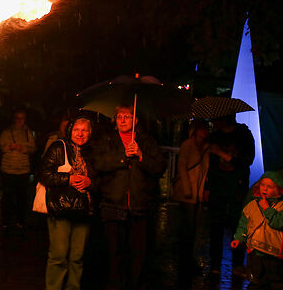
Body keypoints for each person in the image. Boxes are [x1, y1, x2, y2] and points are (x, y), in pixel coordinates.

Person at [94, 105, 166, 290]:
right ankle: (115, 284)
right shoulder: (107, 139)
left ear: (136, 120)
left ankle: (134, 285)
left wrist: (141, 155)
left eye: (127, 116)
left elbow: (159, 167)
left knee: (138, 252)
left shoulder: (147, 141)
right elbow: (99, 163)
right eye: (119, 116)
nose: (123, 120)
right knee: (113, 251)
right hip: (112, 203)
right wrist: (122, 157)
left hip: (139, 204)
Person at [37, 114, 97, 290]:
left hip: (84, 210)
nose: (80, 134)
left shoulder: (93, 152)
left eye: (84, 130)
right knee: (59, 256)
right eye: (77, 130)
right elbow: (43, 173)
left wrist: (90, 181)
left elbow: (101, 177)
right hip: (61, 209)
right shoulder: (59, 147)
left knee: (77, 257)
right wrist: (68, 179)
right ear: (70, 131)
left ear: (90, 132)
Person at [205, 114, 255, 276]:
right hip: (218, 186)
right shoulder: (215, 136)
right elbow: (210, 165)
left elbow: (248, 159)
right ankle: (215, 264)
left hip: (236, 187)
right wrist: (208, 186)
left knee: (237, 225)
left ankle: (238, 264)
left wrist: (223, 154)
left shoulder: (243, 135)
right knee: (215, 226)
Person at [171, 119, 210, 277]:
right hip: (187, 192)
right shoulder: (188, 144)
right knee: (187, 227)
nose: (204, 131)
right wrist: (188, 189)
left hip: (197, 193)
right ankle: (184, 261)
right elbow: (182, 166)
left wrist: (201, 192)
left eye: (206, 128)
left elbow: (204, 171)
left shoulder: (206, 147)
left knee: (192, 228)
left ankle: (187, 260)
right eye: (202, 128)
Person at [231, 171, 283, 289]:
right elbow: (244, 225)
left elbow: (278, 223)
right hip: (254, 253)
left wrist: (267, 208)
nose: (264, 189)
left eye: (269, 187)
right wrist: (239, 238)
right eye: (262, 185)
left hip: (274, 255)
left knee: (275, 283)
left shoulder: (281, 207)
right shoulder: (252, 205)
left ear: (279, 189)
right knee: (255, 282)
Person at [0, 110, 36, 231]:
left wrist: (23, 148)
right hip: (8, 169)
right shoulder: (6, 132)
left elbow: (33, 148)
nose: (20, 120)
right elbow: (1, 147)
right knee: (7, 197)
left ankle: (20, 221)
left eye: (22, 118)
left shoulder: (28, 132)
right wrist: (10, 146)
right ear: (14, 119)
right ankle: (6, 221)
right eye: (18, 118)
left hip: (23, 170)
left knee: (22, 198)